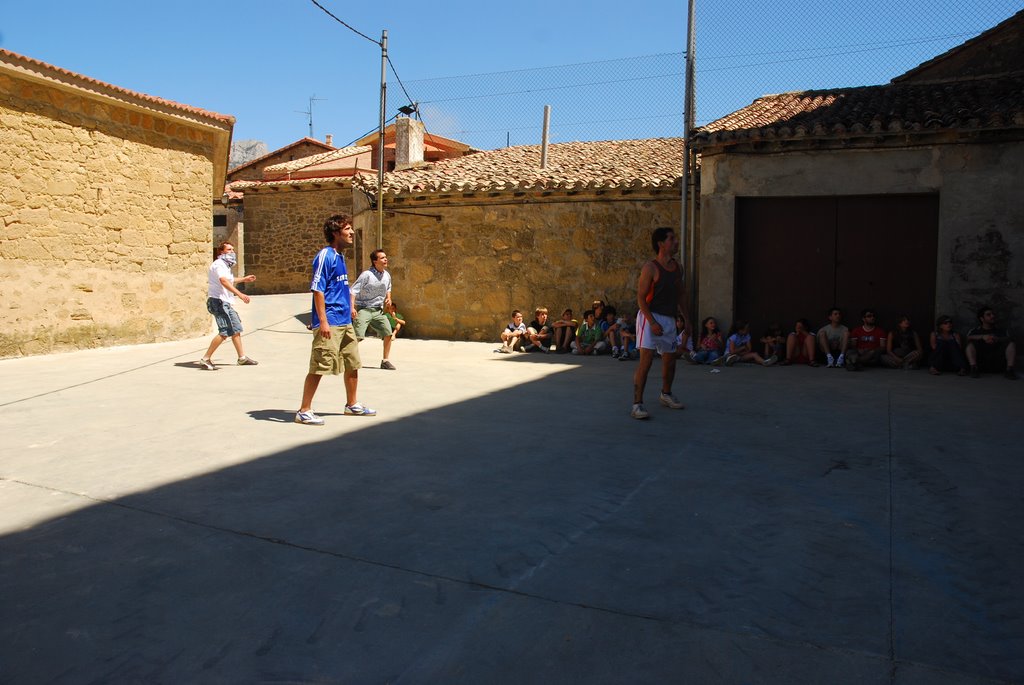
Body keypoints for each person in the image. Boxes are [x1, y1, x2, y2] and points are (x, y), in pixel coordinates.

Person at [295, 214, 376, 425]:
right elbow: (317, 289)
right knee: (320, 365)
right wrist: (322, 321)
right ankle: (304, 410)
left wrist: (351, 307)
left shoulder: (340, 256)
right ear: (335, 233)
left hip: (344, 320)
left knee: (352, 363)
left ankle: (352, 405)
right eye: (347, 229)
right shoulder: (325, 256)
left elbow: (340, 287)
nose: (351, 232)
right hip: (329, 321)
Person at [632, 226, 688, 419]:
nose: (676, 242)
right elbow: (640, 298)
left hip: (669, 319)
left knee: (670, 360)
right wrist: (652, 322)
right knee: (646, 361)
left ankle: (666, 394)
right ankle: (637, 404)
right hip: (650, 317)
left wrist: (687, 320)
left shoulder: (677, 267)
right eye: (671, 239)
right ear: (661, 243)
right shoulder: (650, 268)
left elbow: (681, 295)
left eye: (675, 238)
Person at [199, 241, 258, 370]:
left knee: (236, 328)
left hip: (225, 302)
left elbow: (229, 279)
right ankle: (206, 358)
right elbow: (223, 281)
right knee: (225, 331)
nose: (232, 252)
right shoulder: (219, 264)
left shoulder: (225, 266)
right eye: (229, 250)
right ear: (221, 252)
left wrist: (244, 279)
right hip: (218, 302)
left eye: (232, 250)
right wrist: (240, 294)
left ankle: (242, 358)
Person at [351, 249, 396, 370]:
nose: (385, 259)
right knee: (358, 335)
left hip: (378, 310)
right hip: (364, 308)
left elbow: (388, 288)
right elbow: (353, 291)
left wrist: (388, 299)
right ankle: (347, 357)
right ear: (375, 261)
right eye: (382, 258)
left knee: (388, 333)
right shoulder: (366, 275)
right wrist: (352, 308)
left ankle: (385, 361)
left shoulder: (387, 275)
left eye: (385, 257)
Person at [965, 306, 1017, 380]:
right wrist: (983, 337)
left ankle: (1010, 370)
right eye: (988, 315)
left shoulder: (1001, 330)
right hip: (981, 364)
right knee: (970, 345)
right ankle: (973, 368)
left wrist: (997, 339)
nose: (992, 316)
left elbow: (1010, 338)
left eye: (993, 314)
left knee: (1011, 344)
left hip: (998, 363)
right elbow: (967, 338)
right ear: (982, 319)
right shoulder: (975, 330)